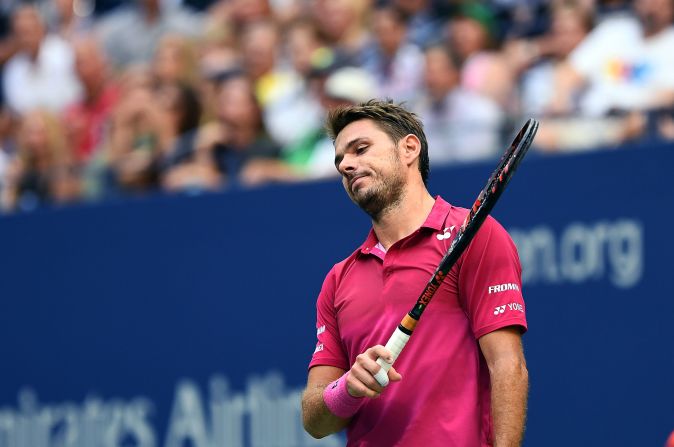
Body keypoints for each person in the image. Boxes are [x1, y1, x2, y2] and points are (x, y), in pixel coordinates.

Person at [301, 100, 528, 446]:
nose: (346, 164)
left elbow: (507, 366)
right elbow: (314, 421)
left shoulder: (473, 235)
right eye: (340, 161)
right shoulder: (338, 279)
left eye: (360, 149)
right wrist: (347, 387)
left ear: (409, 148)